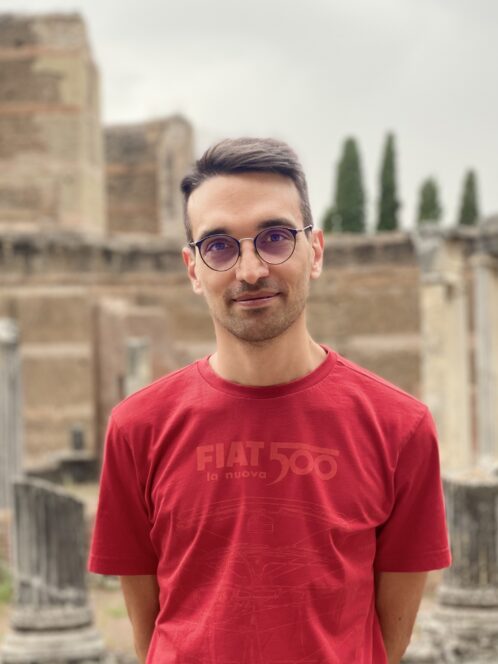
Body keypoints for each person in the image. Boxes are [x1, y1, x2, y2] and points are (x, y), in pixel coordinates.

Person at [87, 137, 451, 664]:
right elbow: (150, 629)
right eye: (219, 246)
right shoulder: (137, 427)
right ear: (193, 269)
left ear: (316, 251)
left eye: (275, 238)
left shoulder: (400, 427)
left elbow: (388, 636)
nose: (251, 270)